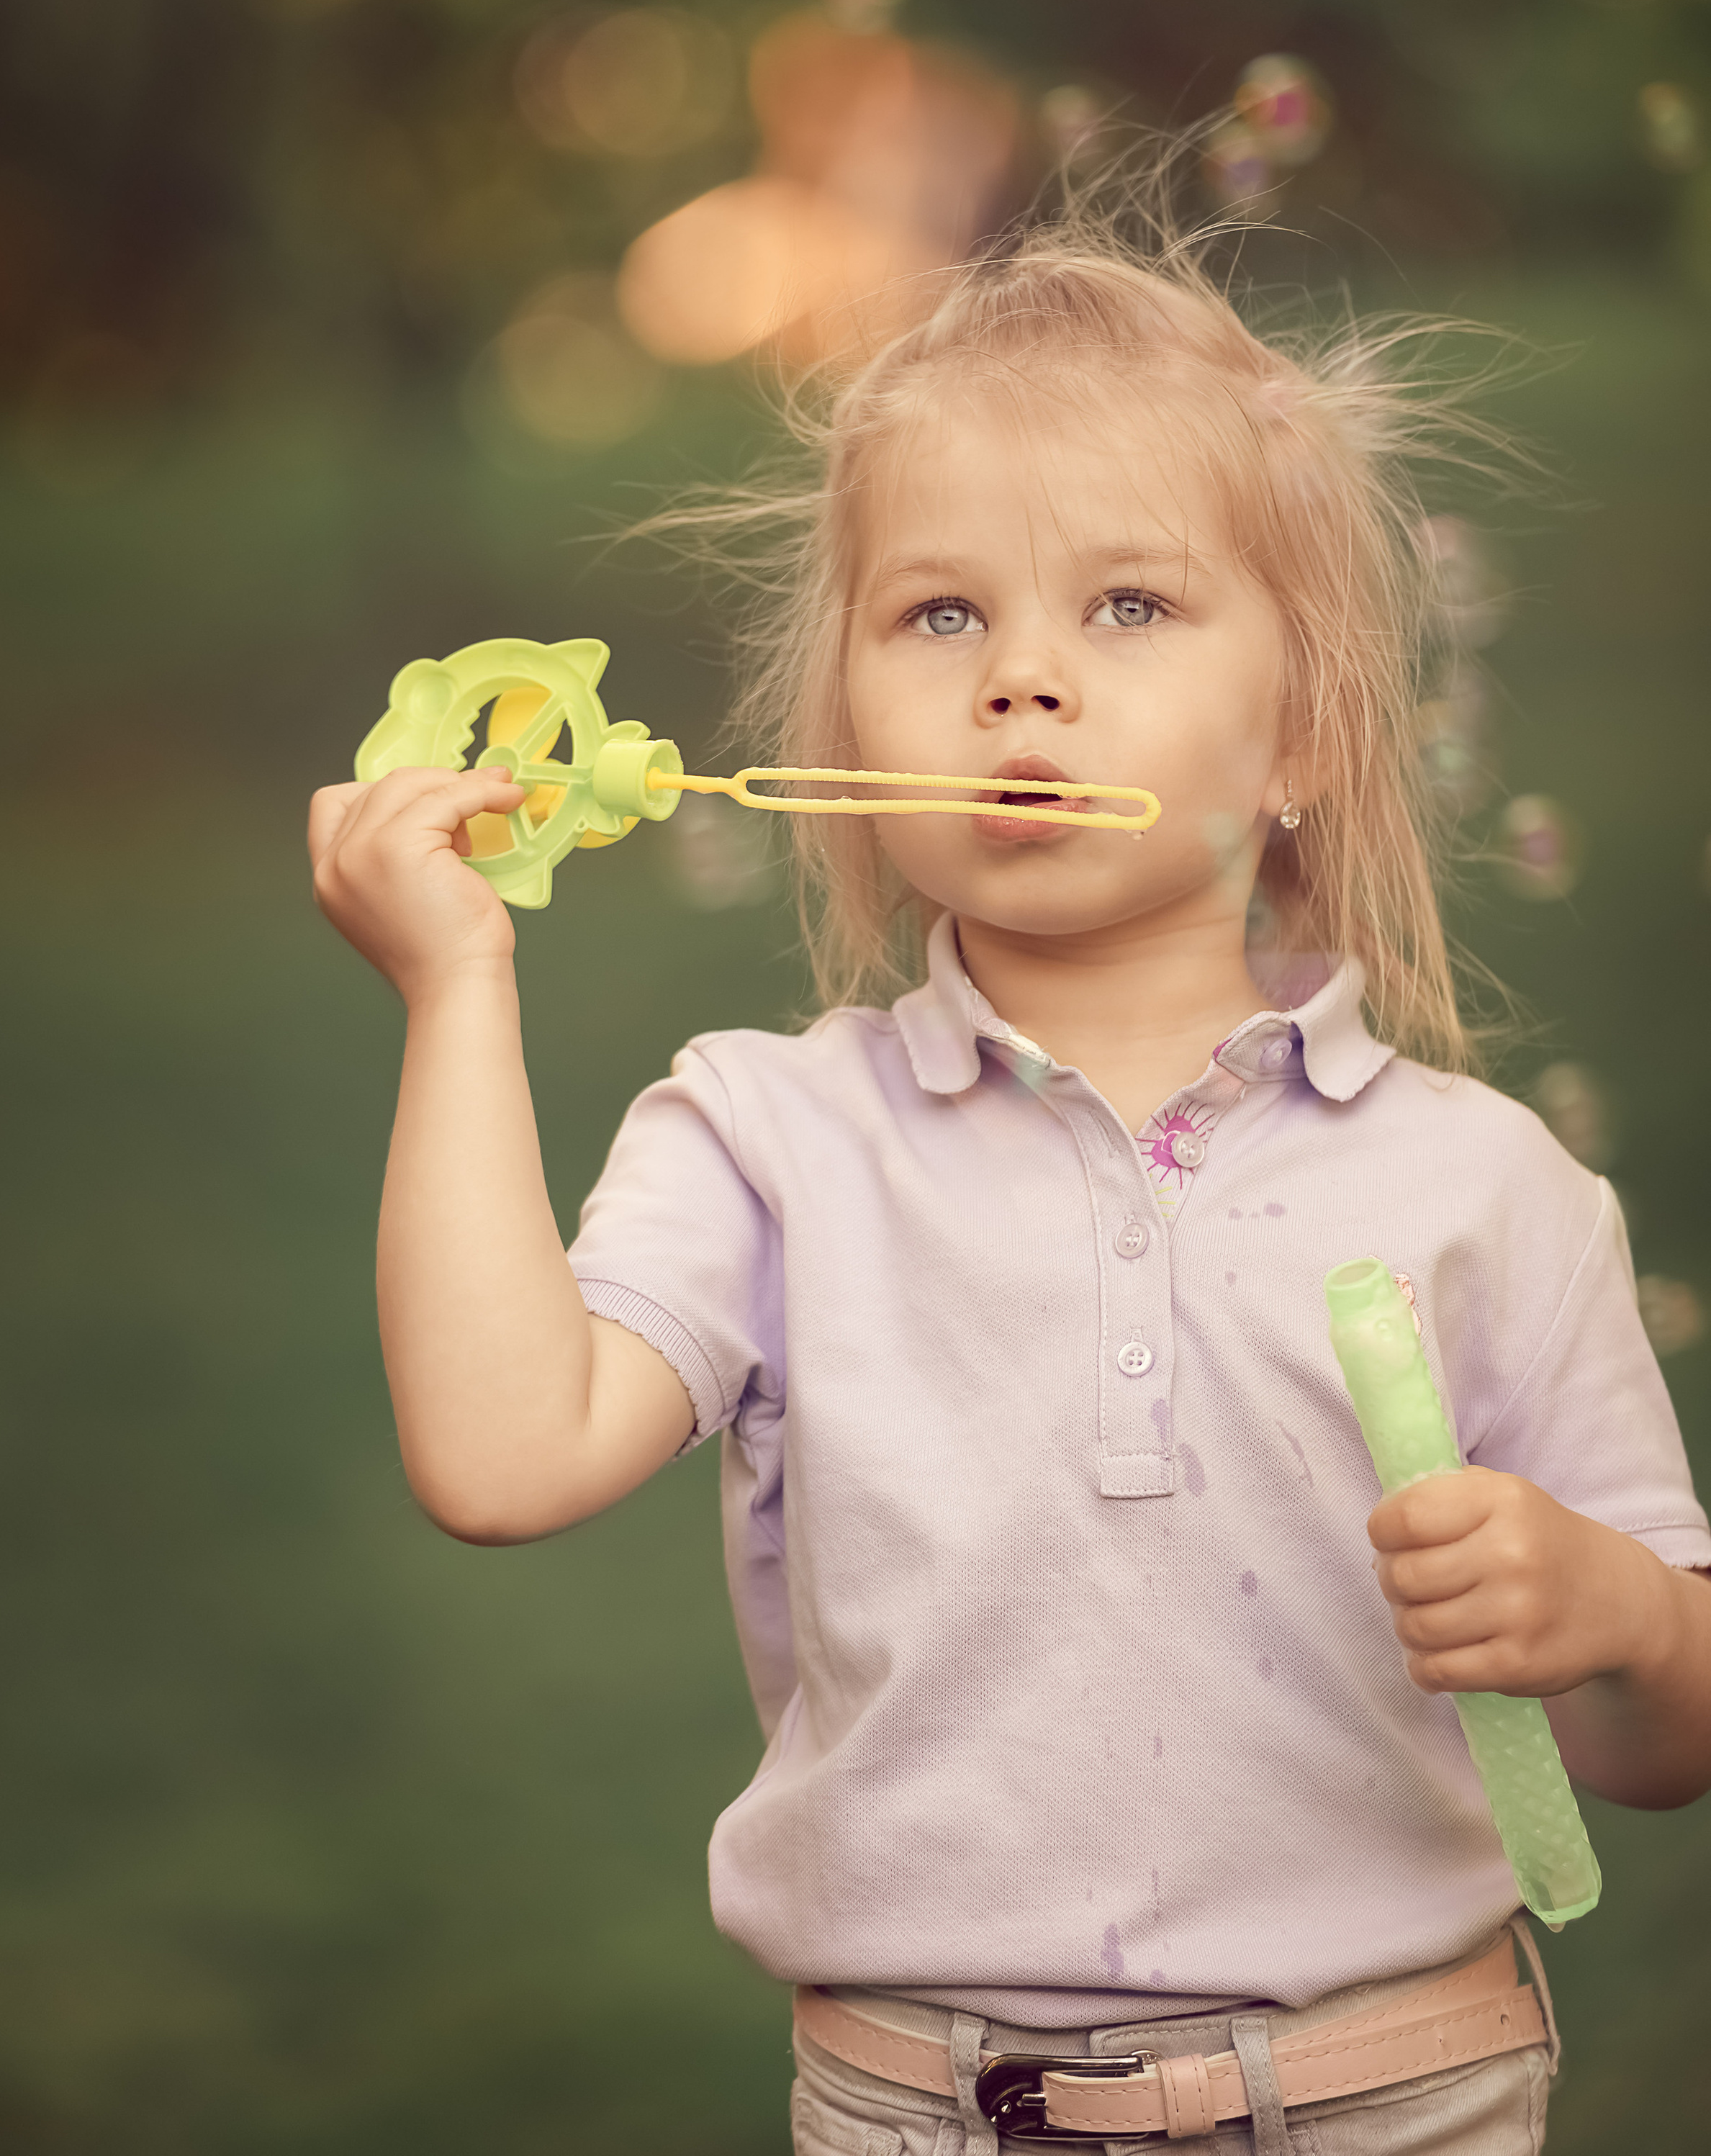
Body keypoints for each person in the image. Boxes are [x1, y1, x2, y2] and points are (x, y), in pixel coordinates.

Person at [307, 198, 1711, 2155]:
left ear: (1301, 727)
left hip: (1398, 2096)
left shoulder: (1491, 1192)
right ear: (843, 722)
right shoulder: (771, 1145)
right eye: (941, 613)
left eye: (1125, 608)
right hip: (922, 2114)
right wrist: (456, 986)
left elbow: (1670, 1751)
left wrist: (1625, 1617)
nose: (1021, 683)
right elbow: (499, 1454)